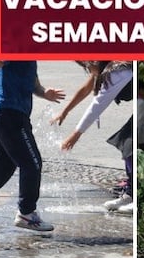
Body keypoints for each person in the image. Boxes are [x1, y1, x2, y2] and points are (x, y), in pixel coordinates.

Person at [0, 59, 65, 232]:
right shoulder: (15, 47)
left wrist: (44, 92)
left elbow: (34, 85)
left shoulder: (30, 55)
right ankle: (27, 213)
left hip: (9, 115)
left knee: (3, 164)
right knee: (32, 164)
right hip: (9, 115)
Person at [55, 61, 135, 214]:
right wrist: (65, 111)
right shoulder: (106, 67)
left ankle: (137, 196)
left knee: (129, 144)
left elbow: (98, 105)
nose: (88, 71)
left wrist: (74, 136)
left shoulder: (116, 73)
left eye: (86, 66)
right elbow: (86, 90)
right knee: (126, 143)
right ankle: (131, 194)